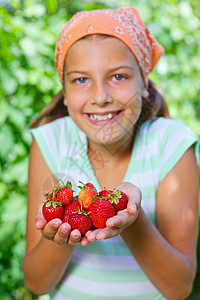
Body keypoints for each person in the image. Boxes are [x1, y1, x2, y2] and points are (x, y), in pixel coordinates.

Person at [22, 7, 199, 300]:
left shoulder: (171, 144)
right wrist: (64, 233)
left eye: (118, 77)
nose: (101, 97)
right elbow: (36, 283)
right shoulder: (51, 142)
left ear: (144, 82)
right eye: (81, 80)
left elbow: (179, 288)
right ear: (64, 91)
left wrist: (132, 219)